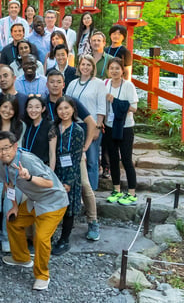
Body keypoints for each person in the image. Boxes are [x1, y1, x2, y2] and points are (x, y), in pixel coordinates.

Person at [0, 131, 68, 292]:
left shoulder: (27, 160)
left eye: (6, 148)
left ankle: (42, 275)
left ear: (15, 146)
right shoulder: (0, 162)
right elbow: (9, 185)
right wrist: (14, 206)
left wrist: (28, 178)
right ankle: (21, 258)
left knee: (41, 238)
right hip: (33, 201)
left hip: (53, 201)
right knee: (13, 220)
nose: (3, 152)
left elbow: (49, 183)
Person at [45, 69, 101, 242]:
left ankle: (93, 222)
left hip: (74, 153)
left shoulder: (71, 102)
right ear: (47, 84)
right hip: (55, 153)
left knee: (84, 184)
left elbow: (91, 123)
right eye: (51, 82)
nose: (55, 85)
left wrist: (84, 147)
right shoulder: (43, 101)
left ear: (64, 84)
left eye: (58, 81)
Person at [0, 94, 24, 253]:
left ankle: (6, 237)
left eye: (11, 108)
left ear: (15, 110)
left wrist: (12, 175)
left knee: (10, 206)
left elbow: (19, 150)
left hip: (13, 170)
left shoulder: (20, 126)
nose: (7, 111)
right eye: (4, 107)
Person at [65, 55, 106, 191]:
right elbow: (67, 103)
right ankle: (76, 188)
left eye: (89, 65)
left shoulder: (99, 83)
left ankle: (91, 190)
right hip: (75, 125)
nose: (85, 67)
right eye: (83, 64)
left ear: (93, 67)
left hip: (91, 124)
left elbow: (102, 106)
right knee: (76, 159)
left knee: (92, 159)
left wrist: (98, 126)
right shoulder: (73, 83)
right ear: (79, 66)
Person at [50, 96, 84, 256]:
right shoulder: (54, 127)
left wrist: (69, 181)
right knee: (54, 205)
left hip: (71, 172)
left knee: (69, 208)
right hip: (55, 171)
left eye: (66, 108)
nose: (63, 112)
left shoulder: (78, 130)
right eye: (60, 109)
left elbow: (76, 159)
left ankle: (64, 239)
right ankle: (48, 236)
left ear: (73, 109)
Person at [104, 58, 139, 206]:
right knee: (112, 159)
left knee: (126, 159)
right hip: (109, 125)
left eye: (117, 68)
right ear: (108, 70)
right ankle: (116, 189)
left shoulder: (128, 85)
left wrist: (116, 102)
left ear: (122, 70)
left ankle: (132, 192)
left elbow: (134, 108)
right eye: (111, 68)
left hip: (125, 127)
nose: (114, 71)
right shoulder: (105, 84)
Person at [22, 95, 56, 166]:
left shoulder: (50, 126)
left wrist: (50, 174)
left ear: (43, 109)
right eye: (30, 107)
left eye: (37, 107)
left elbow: (52, 153)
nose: (33, 110)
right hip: (27, 167)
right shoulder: (25, 125)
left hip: (43, 167)